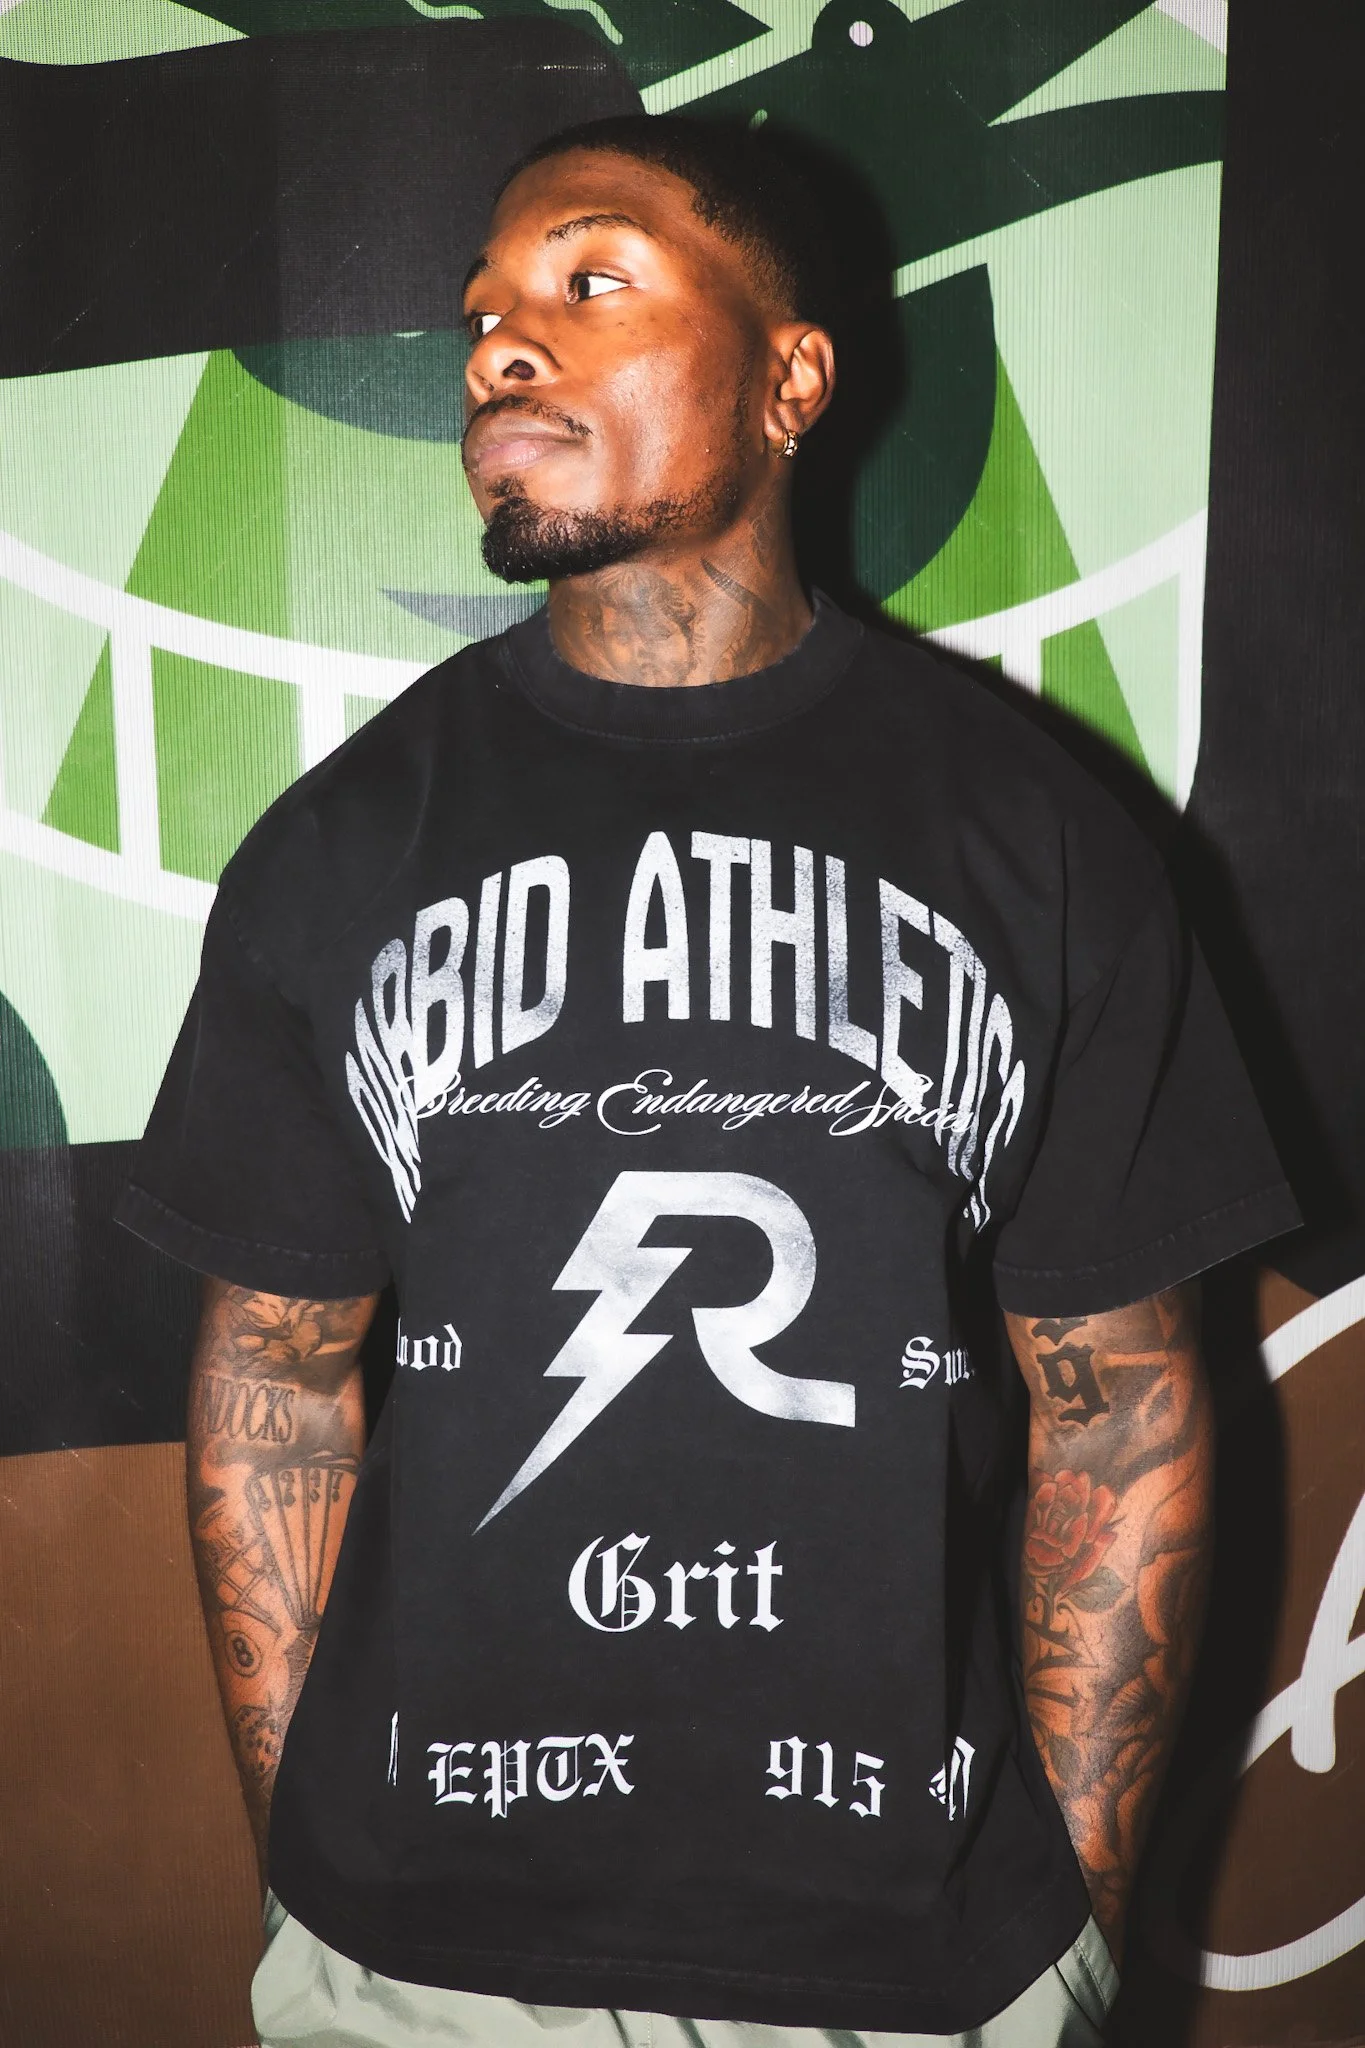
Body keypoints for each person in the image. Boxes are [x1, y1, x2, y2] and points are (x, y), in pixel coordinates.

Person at [117, 115, 1298, 2047]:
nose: (501, 345)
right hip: (420, 1966)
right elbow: (275, 1378)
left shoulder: (1043, 842)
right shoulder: (340, 847)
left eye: (590, 280)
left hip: (917, 1968)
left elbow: (1125, 1409)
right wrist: (312, 1854)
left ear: (791, 378)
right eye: (483, 313)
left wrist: (1065, 1919)